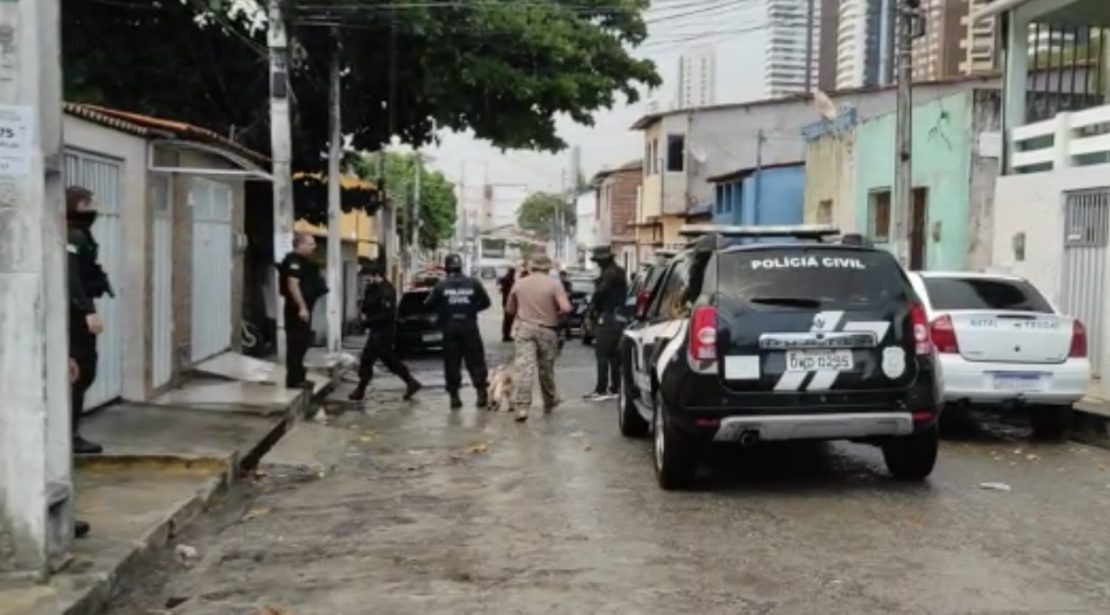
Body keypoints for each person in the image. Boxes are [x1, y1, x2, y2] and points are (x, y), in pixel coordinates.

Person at [66, 186, 113, 456]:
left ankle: (70, 432)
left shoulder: (81, 235)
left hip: (79, 312)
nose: (94, 210)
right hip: (74, 316)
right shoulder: (71, 236)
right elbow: (70, 278)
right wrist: (86, 310)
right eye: (88, 205)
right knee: (77, 372)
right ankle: (69, 435)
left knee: (85, 372)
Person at [505, 255, 571, 422]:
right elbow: (566, 308)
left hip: (525, 329)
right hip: (548, 330)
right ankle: (549, 402)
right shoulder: (554, 284)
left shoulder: (519, 283)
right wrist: (555, 315)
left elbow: (509, 309)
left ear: (531, 267)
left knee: (524, 368)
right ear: (548, 268)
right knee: (546, 369)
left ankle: (522, 408)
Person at [426, 253, 492, 409]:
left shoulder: (441, 286)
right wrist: (471, 309)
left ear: (447, 268)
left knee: (452, 363)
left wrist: (443, 310)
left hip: (450, 327)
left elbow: (428, 305)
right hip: (469, 326)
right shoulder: (474, 283)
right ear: (460, 266)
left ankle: (454, 397)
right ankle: (481, 393)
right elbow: (486, 303)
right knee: (476, 361)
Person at [349, 264, 421, 401]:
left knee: (367, 359)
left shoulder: (387, 290)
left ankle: (360, 389)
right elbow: (366, 307)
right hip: (375, 330)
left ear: (377, 275)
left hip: (384, 331)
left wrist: (365, 323)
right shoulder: (372, 289)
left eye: (367, 276)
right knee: (388, 360)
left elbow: (387, 315)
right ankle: (411, 382)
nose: (365, 279)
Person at [279, 234, 325, 389]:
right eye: (310, 244)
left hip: (304, 309)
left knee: (303, 343)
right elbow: (293, 284)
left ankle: (299, 376)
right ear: (300, 245)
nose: (314, 247)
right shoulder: (293, 261)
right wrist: (302, 307)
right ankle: (294, 380)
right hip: (296, 310)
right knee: (296, 344)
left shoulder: (305, 262)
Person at [585, 246, 628, 401]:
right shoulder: (618, 271)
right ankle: (615, 387)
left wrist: (592, 308)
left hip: (608, 316)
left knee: (602, 354)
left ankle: (601, 389)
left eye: (599, 261)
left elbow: (600, 293)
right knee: (614, 355)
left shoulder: (609, 274)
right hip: (618, 317)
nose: (598, 264)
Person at [498, 266, 516, 342]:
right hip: (511, 301)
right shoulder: (511, 280)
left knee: (507, 319)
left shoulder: (505, 279)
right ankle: (506, 335)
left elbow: (500, 286)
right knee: (509, 319)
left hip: (505, 301)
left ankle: (506, 334)